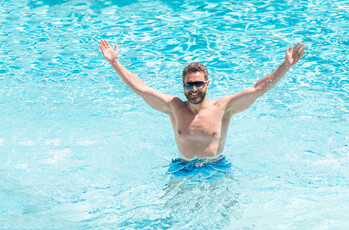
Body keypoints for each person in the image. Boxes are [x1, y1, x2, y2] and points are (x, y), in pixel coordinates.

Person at [99, 40, 305, 162]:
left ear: (207, 84)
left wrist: (285, 66)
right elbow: (141, 88)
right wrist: (115, 62)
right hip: (182, 167)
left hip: (216, 167)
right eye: (189, 85)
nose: (194, 89)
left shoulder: (223, 108)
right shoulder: (174, 107)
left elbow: (258, 89)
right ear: (183, 86)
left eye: (198, 84)